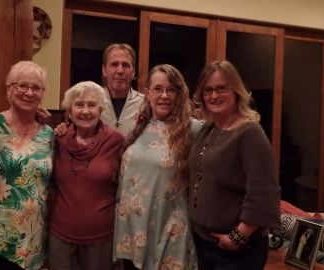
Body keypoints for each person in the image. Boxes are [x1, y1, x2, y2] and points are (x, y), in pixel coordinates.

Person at [188, 60, 280, 270]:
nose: (213, 96)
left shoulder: (250, 134)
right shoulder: (208, 130)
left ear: (237, 91)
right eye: (208, 90)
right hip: (205, 244)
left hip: (236, 252)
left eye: (221, 88)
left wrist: (238, 237)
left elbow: (264, 192)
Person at [113, 64, 199, 270]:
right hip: (132, 234)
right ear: (147, 92)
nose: (164, 95)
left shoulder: (193, 129)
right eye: (158, 89)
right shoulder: (139, 125)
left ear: (180, 94)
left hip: (168, 234)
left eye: (171, 90)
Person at [0, 61, 53, 270]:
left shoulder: (50, 134)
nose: (29, 93)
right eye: (22, 86)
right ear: (9, 89)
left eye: (36, 88)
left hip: (35, 240)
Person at [47, 81, 125, 270]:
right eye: (79, 104)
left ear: (100, 109)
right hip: (60, 236)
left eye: (92, 105)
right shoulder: (58, 138)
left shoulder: (116, 141)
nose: (85, 111)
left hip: (102, 238)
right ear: (69, 111)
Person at [100, 43, 145, 136]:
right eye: (114, 64)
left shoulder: (145, 104)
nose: (120, 70)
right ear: (104, 70)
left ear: (133, 72)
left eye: (125, 65)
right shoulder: (91, 103)